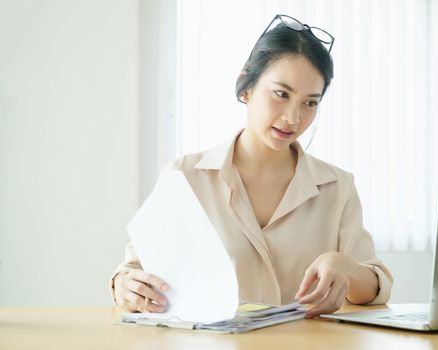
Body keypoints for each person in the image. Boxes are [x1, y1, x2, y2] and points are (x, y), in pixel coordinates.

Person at [110, 14, 393, 318]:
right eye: (281, 94)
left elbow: (373, 288)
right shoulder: (184, 176)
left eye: (310, 102)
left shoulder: (337, 187)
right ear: (246, 86)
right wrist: (126, 287)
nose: (293, 118)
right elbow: (134, 271)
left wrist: (345, 267)